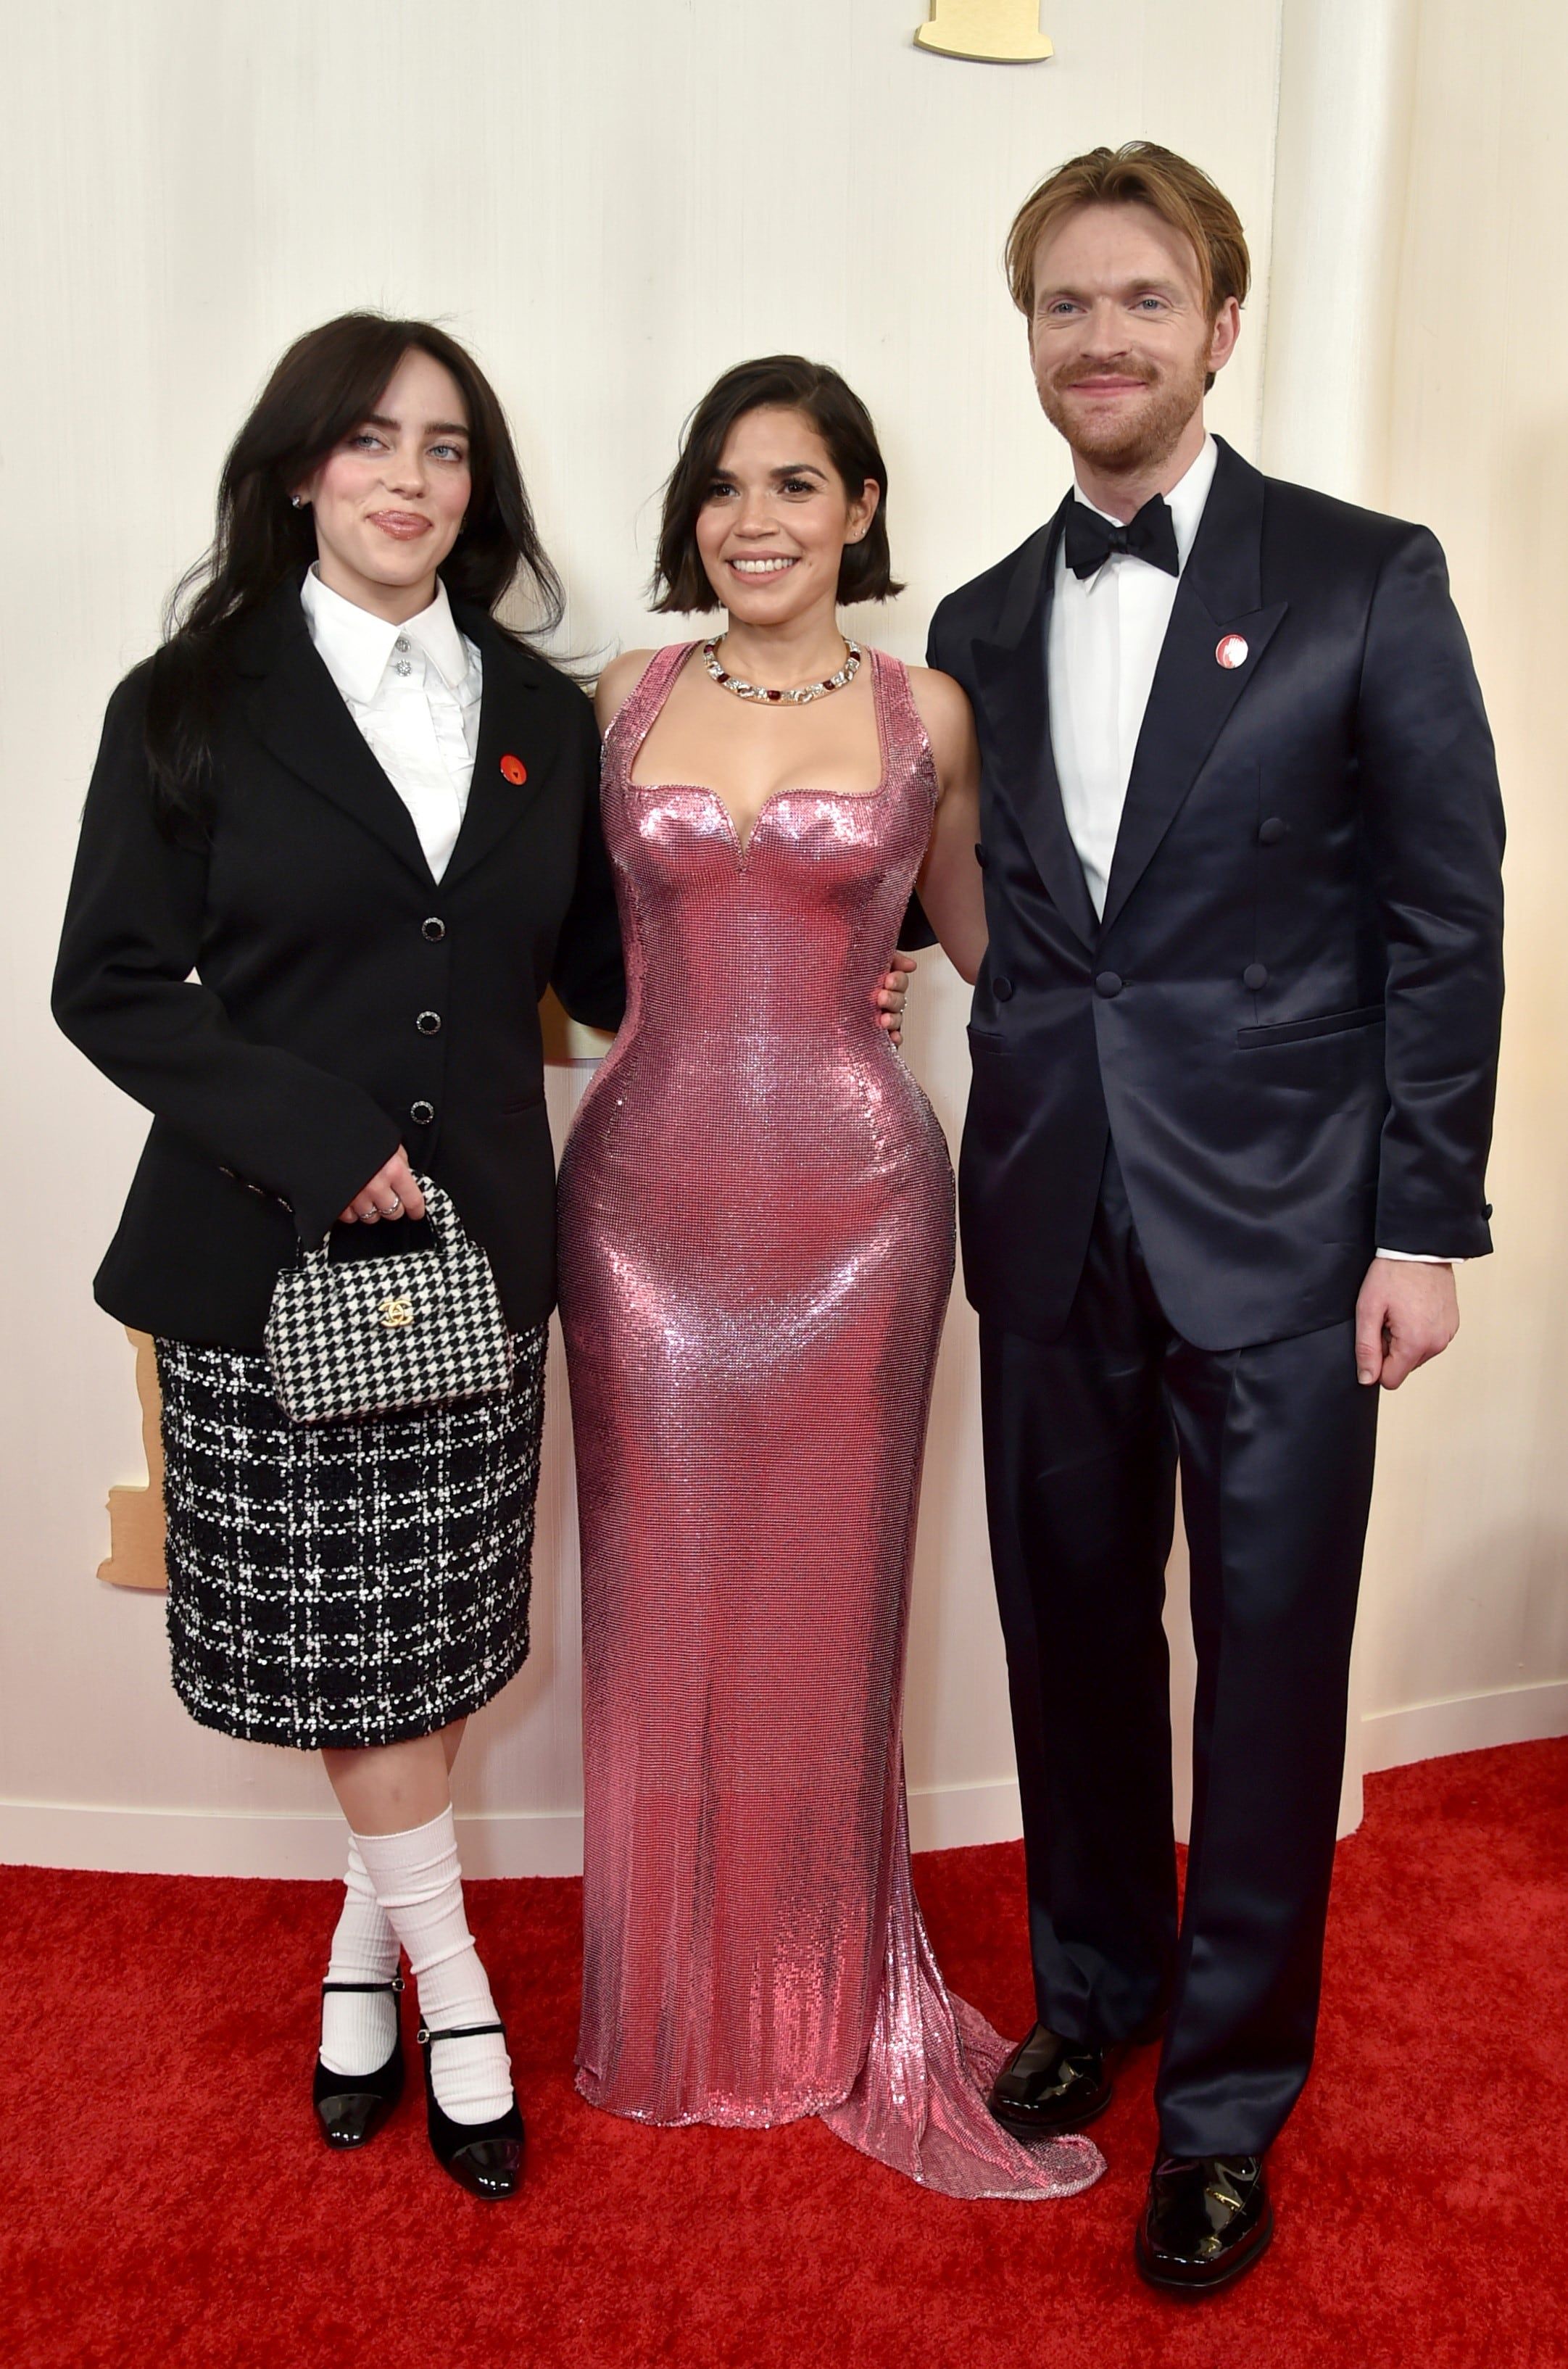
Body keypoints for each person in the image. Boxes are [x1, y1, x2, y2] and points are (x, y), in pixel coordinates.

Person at [924, 144, 1504, 2287]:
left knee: (1264, 1669)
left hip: (1290, 1226)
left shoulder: (1365, 573)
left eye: (1140, 301)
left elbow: (1448, 917)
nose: (1101, 340)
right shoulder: (979, 616)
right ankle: (1096, 1995)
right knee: (1064, 1634)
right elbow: (996, 917)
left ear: (1217, 325)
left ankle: (1233, 2097)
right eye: (1065, 306)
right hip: (1048, 1200)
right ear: (1032, 338)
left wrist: (1416, 1220)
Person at [52, 313, 627, 2199]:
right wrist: (323, 1135)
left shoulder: (547, 717)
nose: (410, 477)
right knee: (353, 1659)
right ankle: (456, 1989)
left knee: (437, 1641)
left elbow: (609, 974)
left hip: (485, 1265)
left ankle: (364, 1938)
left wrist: (824, 923)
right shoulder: (189, 699)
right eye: (371, 440)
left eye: (447, 447)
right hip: (259, 1260)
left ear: (479, 486)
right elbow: (110, 982)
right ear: (299, 466)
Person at [555, 355, 1102, 2200]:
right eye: (723, 487)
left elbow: (987, 940)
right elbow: (553, 952)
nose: (754, 520)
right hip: (637, 1207)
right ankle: (667, 2004)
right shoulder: (628, 692)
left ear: (858, 507)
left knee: (826, 1608)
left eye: (795, 483)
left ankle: (811, 2002)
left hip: (858, 1210)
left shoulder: (920, 700)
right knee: (657, 1601)